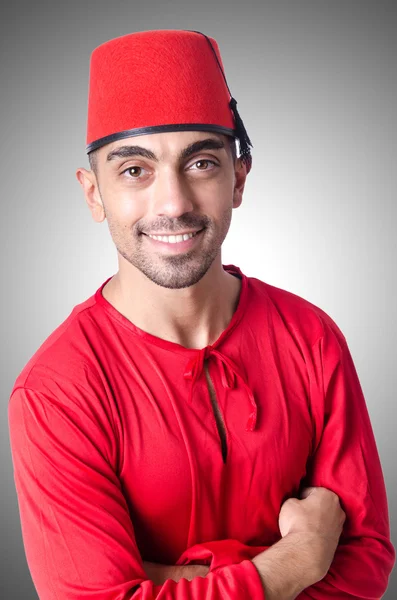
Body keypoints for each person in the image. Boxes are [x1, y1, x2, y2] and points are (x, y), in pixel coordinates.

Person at [8, 29, 395, 600]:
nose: (174, 204)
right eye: (134, 170)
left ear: (238, 179)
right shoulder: (57, 392)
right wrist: (296, 561)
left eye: (203, 162)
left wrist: (168, 580)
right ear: (93, 194)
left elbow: (366, 564)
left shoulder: (311, 337)